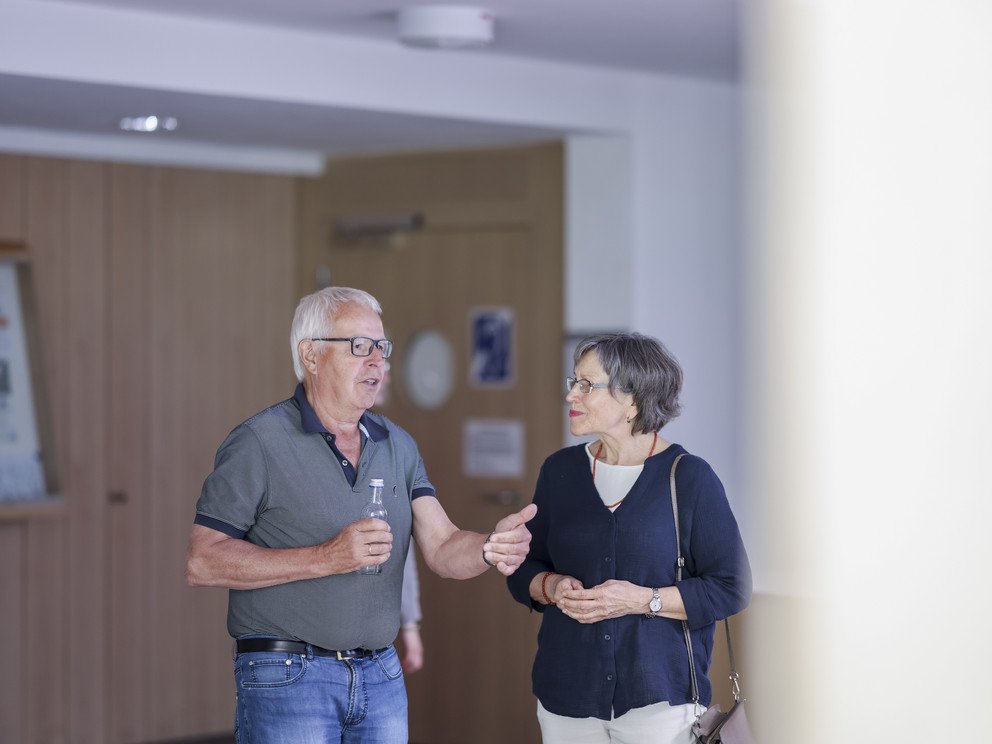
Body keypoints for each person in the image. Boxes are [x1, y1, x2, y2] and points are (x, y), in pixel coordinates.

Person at [185, 286, 536, 744]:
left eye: (382, 348)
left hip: (380, 674)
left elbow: (444, 546)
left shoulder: (399, 444)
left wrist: (490, 547)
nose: (377, 362)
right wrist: (326, 557)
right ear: (310, 355)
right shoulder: (258, 442)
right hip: (288, 674)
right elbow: (203, 562)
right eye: (359, 347)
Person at [506, 332, 751, 744]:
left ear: (633, 400)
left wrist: (641, 599)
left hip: (660, 703)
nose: (571, 396)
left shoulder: (689, 478)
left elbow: (731, 587)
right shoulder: (560, 471)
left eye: (587, 385)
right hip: (566, 695)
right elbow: (524, 568)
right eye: (574, 382)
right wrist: (550, 586)